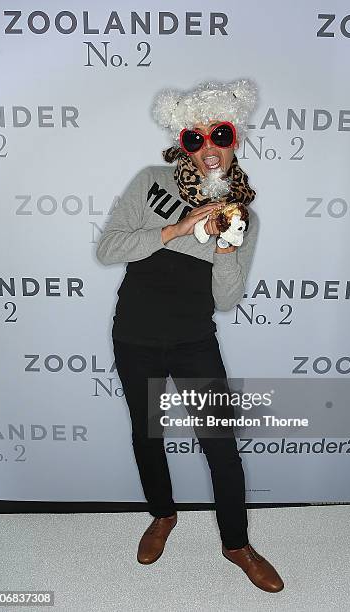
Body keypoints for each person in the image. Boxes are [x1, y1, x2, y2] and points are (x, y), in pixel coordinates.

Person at [96, 78, 284, 593]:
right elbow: (108, 249)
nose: (208, 148)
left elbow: (226, 300)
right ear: (184, 143)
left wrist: (225, 247)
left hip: (193, 339)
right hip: (134, 333)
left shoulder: (243, 216)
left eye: (218, 133)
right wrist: (177, 230)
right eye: (195, 138)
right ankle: (162, 515)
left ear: (235, 137)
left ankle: (236, 545)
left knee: (221, 446)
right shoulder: (151, 182)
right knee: (147, 431)